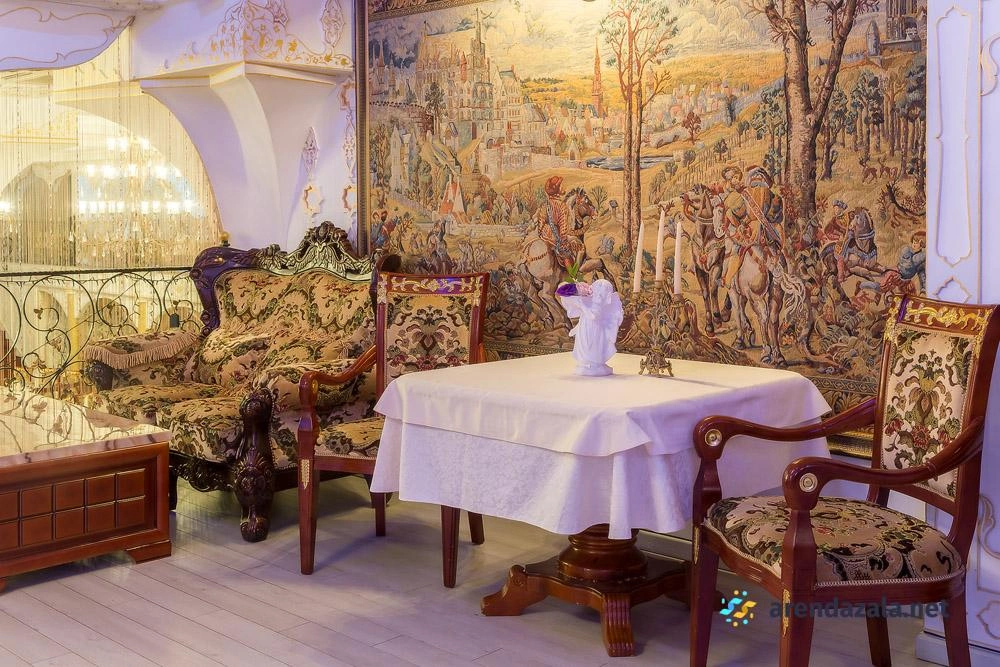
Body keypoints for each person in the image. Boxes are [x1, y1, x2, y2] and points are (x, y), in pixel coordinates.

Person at [565, 279, 623, 376]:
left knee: (591, 344)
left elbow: (593, 316)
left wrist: (582, 305)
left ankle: (594, 363)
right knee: (583, 342)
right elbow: (564, 294)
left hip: (594, 328)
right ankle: (585, 363)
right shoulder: (590, 299)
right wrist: (575, 292)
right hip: (585, 325)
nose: (595, 290)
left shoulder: (598, 302)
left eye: (599, 290)